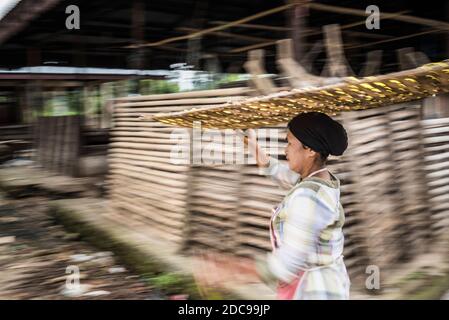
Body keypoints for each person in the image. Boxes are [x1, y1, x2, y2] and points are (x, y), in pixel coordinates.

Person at [245, 111, 351, 300]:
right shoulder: (320, 180)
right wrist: (254, 147)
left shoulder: (309, 196)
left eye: (290, 143)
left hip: (316, 291)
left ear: (310, 150)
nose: (286, 150)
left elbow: (287, 263)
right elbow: (279, 173)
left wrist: (230, 269)